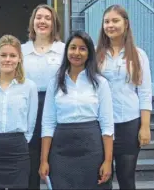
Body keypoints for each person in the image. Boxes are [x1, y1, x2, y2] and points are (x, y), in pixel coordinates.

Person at [39, 31, 114, 189]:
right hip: (61, 150)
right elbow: (48, 124)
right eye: (72, 48)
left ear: (89, 53)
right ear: (66, 51)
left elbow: (107, 125)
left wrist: (108, 161)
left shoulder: (100, 83)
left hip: (91, 148)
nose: (76, 53)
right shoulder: (55, 82)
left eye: (82, 48)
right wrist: (44, 160)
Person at [96, 5, 152, 189]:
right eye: (106, 21)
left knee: (126, 178)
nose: (110, 25)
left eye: (115, 20)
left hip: (128, 123)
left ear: (126, 24)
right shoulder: (95, 54)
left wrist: (144, 126)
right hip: (100, 125)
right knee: (102, 178)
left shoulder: (138, 55)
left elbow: (144, 93)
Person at [0, 35, 38, 189]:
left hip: (18, 147)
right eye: (3, 55)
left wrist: (24, 140)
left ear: (19, 59)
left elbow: (31, 120)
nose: (8, 59)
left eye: (13, 55)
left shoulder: (29, 86)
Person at [21, 4, 65, 189]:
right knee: (30, 159)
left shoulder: (63, 49)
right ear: (33, 22)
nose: (43, 21)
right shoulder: (21, 50)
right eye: (39, 17)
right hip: (29, 108)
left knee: (55, 158)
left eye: (47, 18)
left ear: (54, 23)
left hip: (57, 108)